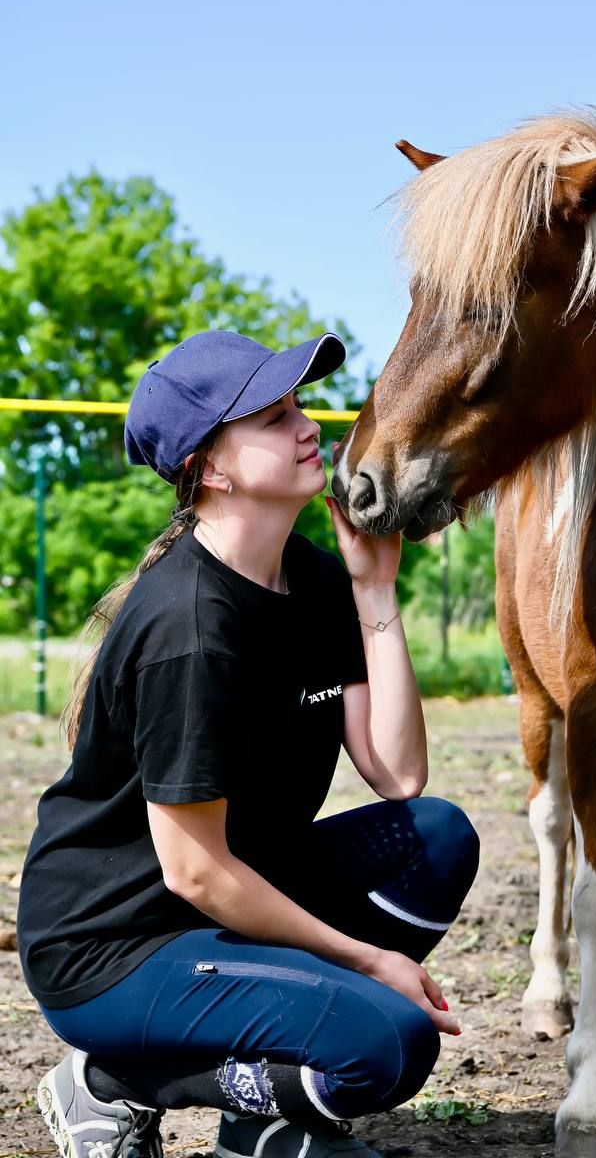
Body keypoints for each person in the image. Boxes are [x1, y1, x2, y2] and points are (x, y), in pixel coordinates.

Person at [17, 330, 479, 1158]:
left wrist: (375, 589)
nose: (307, 427)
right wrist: (367, 961)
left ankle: (263, 1120)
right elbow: (193, 870)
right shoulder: (189, 627)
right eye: (273, 416)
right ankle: (110, 1081)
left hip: (229, 900)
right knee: (390, 1043)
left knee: (437, 837)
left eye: (298, 406)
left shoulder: (310, 577)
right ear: (214, 466)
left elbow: (398, 772)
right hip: (119, 947)